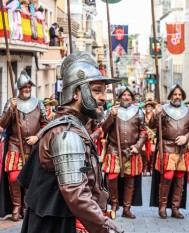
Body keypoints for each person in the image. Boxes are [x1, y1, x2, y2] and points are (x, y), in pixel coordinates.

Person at [16, 52, 123, 233]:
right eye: (97, 90)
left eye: (104, 91)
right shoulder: (67, 135)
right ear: (75, 93)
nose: (104, 97)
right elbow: (76, 194)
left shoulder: (74, 127)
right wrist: (104, 227)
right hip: (60, 226)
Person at [0, 70, 47, 221]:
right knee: (14, 177)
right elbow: (2, 124)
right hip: (15, 144)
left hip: (33, 146)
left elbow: (46, 125)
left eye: (28, 86)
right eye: (24, 86)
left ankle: (27, 206)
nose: (27, 89)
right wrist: (10, 110)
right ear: (19, 88)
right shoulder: (11, 102)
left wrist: (37, 136)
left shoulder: (39, 104)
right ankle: (16, 206)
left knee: (31, 178)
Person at [149, 83, 189, 219]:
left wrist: (186, 137)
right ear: (171, 95)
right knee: (167, 177)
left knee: (179, 180)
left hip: (182, 150)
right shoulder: (163, 109)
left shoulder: (188, 111)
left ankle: (175, 208)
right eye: (175, 94)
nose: (177, 96)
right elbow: (152, 125)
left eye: (180, 94)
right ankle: (162, 207)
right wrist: (155, 113)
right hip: (166, 147)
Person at [101, 86, 147, 219]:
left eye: (128, 95)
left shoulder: (138, 111)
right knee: (111, 178)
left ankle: (127, 208)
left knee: (130, 180)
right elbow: (104, 128)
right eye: (124, 95)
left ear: (132, 97)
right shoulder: (111, 110)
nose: (126, 97)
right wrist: (111, 116)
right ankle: (114, 204)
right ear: (119, 96)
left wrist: (137, 146)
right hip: (114, 149)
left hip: (132, 150)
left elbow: (143, 132)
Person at [141, 100, 157, 176]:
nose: (147, 108)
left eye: (149, 106)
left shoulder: (155, 116)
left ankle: (151, 168)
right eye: (146, 106)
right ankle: (145, 168)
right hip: (145, 136)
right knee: (144, 151)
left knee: (153, 152)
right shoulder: (143, 116)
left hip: (153, 136)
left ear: (152, 107)